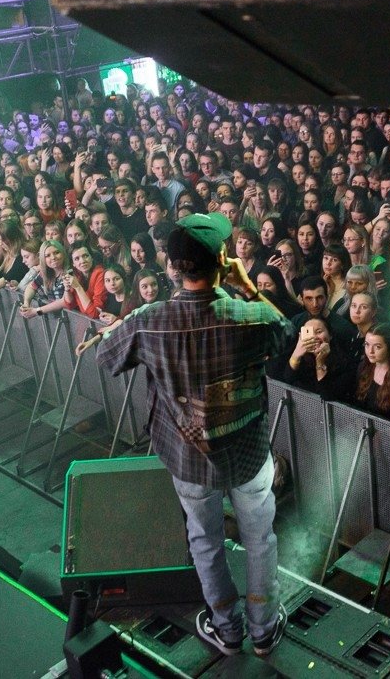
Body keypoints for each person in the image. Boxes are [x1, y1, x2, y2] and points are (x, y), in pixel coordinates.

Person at [90, 212, 292, 657]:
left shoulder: (150, 321)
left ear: (171, 268)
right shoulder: (250, 314)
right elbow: (286, 332)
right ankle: (263, 629)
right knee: (261, 538)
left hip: (186, 454)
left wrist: (136, 325)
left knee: (205, 539)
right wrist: (250, 286)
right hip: (247, 450)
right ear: (225, 261)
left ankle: (227, 628)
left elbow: (105, 357)